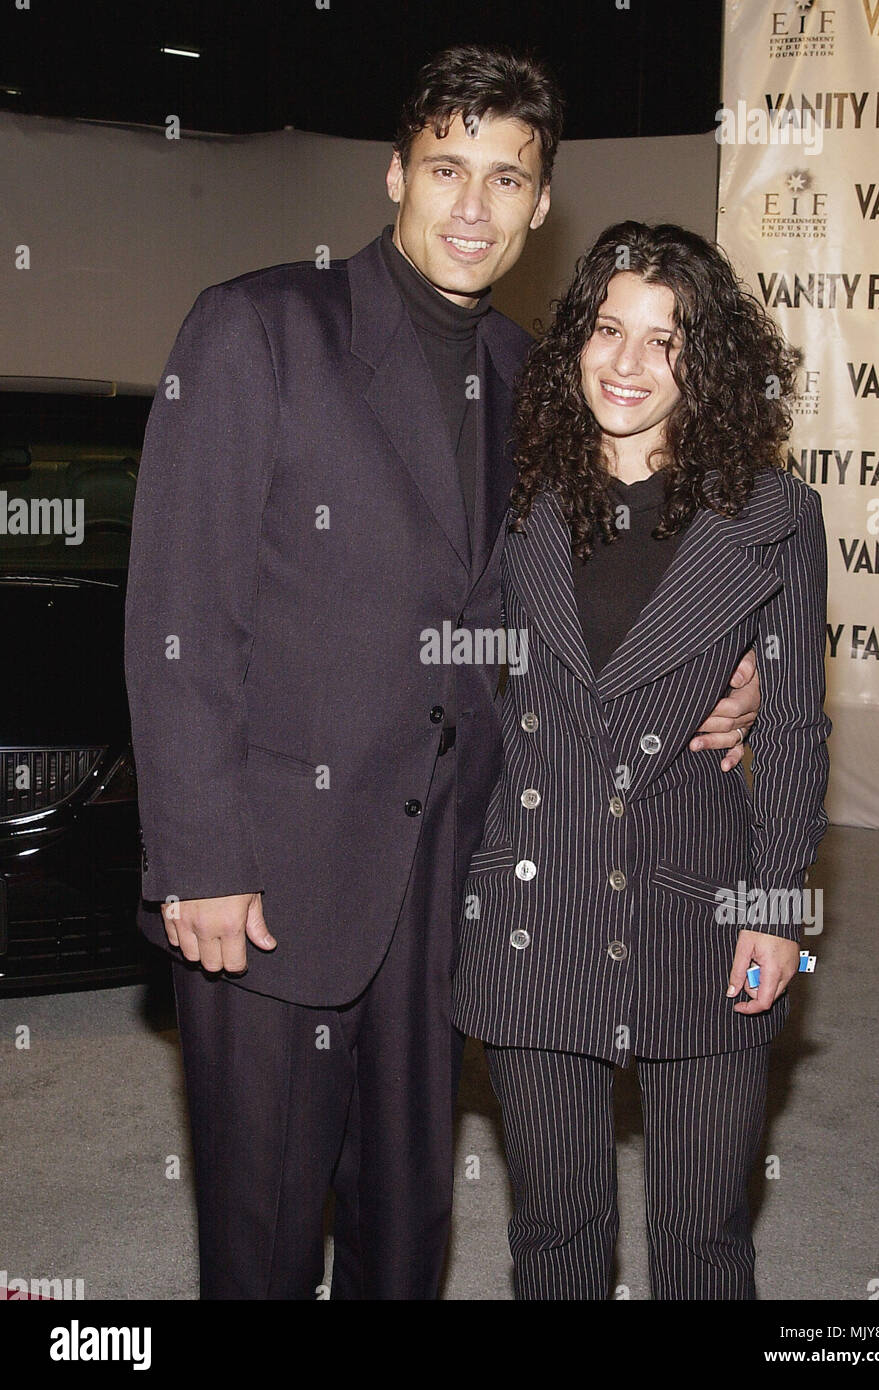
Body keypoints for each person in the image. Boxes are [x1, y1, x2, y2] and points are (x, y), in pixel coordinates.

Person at [124, 50, 761, 1302]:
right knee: (258, 1239)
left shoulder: (537, 382)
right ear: (396, 175)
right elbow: (179, 615)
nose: (474, 205)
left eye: (506, 178)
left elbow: (572, 614)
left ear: (539, 205)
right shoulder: (260, 327)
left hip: (450, 882)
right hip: (266, 877)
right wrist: (197, 854)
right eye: (447, 169)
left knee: (406, 1231)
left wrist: (716, 686)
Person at [452, 220, 832, 1301]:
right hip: (537, 896)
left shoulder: (773, 518)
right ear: (573, 340)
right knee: (556, 1235)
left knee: (706, 1237)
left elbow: (798, 723)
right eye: (607, 329)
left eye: (664, 340)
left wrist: (774, 906)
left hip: (701, 902)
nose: (626, 363)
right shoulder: (510, 495)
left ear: (704, 360)